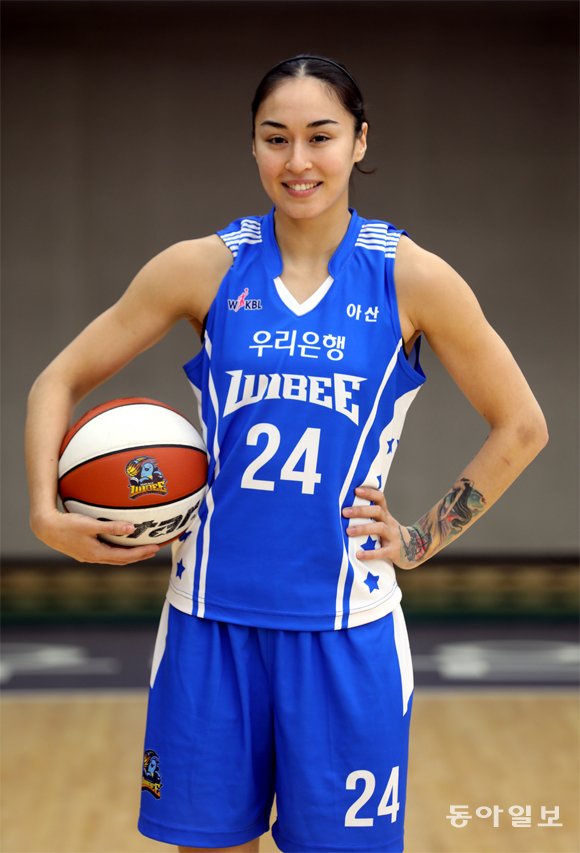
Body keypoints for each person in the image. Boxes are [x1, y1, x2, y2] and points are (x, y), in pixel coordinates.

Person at [25, 54, 548, 853]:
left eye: (320, 136)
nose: (297, 161)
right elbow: (56, 379)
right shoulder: (205, 267)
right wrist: (44, 513)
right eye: (275, 138)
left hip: (345, 631)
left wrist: (419, 539)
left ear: (360, 141)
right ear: (254, 145)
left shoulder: (410, 277)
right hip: (209, 622)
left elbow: (522, 425)